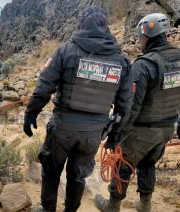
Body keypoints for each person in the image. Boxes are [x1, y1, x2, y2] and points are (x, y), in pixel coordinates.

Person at [23, 7, 133, 212]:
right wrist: (115, 136)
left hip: (63, 127)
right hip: (93, 133)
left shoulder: (67, 50)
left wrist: (31, 113)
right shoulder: (121, 61)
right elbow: (125, 104)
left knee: (51, 170)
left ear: (83, 25)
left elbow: (45, 84)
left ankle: (48, 210)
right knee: (78, 176)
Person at [95, 13, 180, 212]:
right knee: (148, 164)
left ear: (147, 35)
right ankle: (145, 205)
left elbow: (131, 106)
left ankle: (113, 206)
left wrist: (116, 134)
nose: (139, 41)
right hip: (165, 130)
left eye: (140, 37)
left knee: (123, 166)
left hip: (141, 131)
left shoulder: (143, 65)